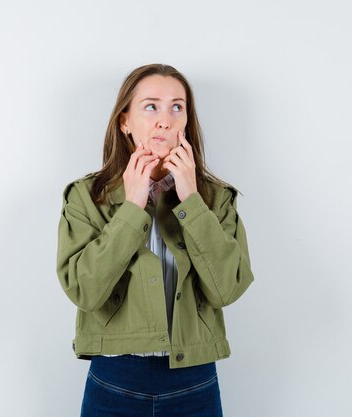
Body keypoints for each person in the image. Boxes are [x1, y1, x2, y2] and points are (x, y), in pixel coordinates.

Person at [56, 63, 254, 417]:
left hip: (194, 381)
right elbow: (84, 291)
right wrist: (132, 207)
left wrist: (192, 200)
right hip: (114, 380)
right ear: (125, 122)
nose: (166, 119)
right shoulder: (86, 197)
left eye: (177, 107)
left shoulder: (215, 198)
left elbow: (227, 290)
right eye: (151, 106)